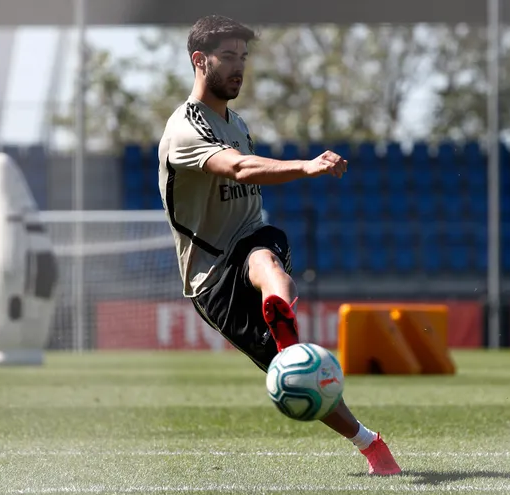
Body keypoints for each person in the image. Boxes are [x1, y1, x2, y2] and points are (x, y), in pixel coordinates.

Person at [157, 14, 401, 476]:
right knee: (300, 375)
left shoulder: (237, 121)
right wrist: (307, 167)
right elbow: (240, 169)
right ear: (199, 60)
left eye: (242, 58)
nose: (238, 67)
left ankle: (279, 310)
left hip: (250, 237)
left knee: (266, 255)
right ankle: (367, 440)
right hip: (211, 276)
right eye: (227, 57)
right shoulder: (185, 129)